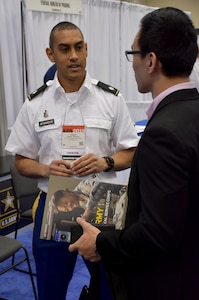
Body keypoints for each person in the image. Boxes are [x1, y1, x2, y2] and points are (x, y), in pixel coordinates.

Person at [69, 7, 199, 300]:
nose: (133, 64)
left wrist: (102, 243)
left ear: (151, 60)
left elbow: (157, 234)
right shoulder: (192, 110)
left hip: (168, 280)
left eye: (134, 55)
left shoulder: (163, 131)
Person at [5, 21, 139, 300]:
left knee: (111, 288)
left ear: (87, 49)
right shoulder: (34, 104)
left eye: (78, 47)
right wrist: (45, 168)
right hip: (55, 203)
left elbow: (131, 152)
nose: (73, 55)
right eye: (64, 49)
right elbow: (20, 160)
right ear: (51, 54)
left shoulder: (110, 99)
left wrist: (106, 162)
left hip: (103, 203)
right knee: (51, 289)